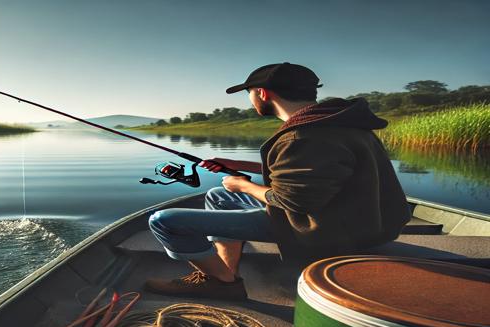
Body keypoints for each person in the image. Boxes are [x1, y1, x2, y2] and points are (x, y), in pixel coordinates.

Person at [144, 63, 410, 300]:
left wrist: (243, 185)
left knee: (164, 221)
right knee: (218, 196)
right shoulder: (339, 123)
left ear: (262, 92)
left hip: (328, 229)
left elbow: (293, 200)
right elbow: (312, 172)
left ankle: (222, 283)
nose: (250, 100)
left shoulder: (304, 136)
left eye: (249, 93)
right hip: (360, 219)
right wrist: (239, 166)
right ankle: (225, 272)